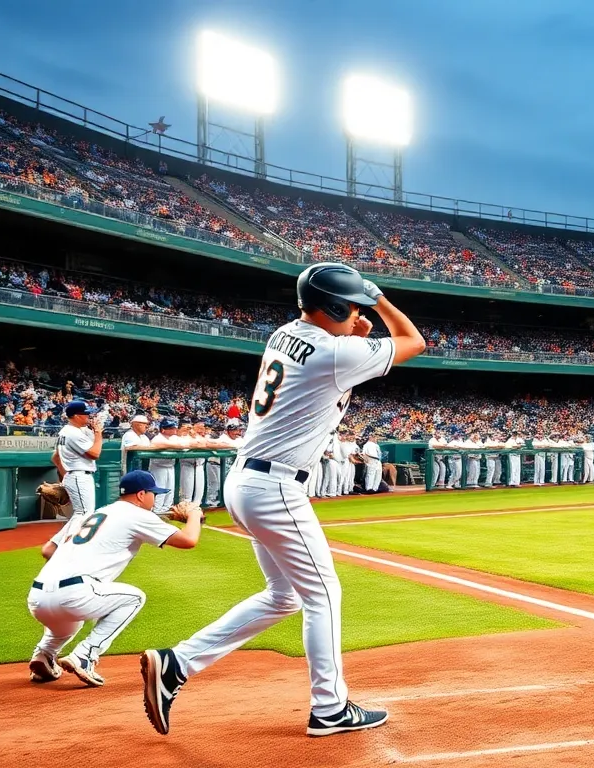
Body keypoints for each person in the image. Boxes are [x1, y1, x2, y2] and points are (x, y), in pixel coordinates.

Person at [140, 262, 424, 738]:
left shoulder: (286, 333)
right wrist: (379, 301)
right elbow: (414, 341)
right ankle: (330, 708)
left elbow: (338, 351)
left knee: (284, 596)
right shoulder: (336, 353)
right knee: (323, 594)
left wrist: (354, 328)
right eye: (350, 303)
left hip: (247, 482)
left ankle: (177, 663)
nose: (357, 309)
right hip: (275, 487)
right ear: (335, 307)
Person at [28, 471, 202, 688]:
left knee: (71, 622)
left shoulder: (94, 514)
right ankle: (85, 655)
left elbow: (48, 550)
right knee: (134, 598)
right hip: (75, 594)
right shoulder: (137, 515)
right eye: (153, 494)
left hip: (37, 597)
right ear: (141, 494)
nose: (155, 498)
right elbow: (188, 540)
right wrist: (194, 514)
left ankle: (44, 654)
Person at [54, 400, 103, 532]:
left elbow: (55, 458)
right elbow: (95, 453)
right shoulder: (73, 433)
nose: (88, 416)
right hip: (79, 475)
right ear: (76, 416)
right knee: (84, 513)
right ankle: (62, 543)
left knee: (83, 513)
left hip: (76, 475)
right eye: (85, 414)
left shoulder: (67, 431)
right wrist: (98, 433)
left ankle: (58, 544)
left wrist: (65, 477)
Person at [146, 418, 180, 513]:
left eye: (174, 428)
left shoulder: (174, 438)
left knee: (170, 489)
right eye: (171, 428)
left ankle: (166, 508)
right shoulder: (158, 438)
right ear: (163, 429)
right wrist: (175, 446)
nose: (174, 430)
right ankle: (157, 509)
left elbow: (184, 444)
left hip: (170, 466)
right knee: (160, 488)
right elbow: (158, 444)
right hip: (158, 467)